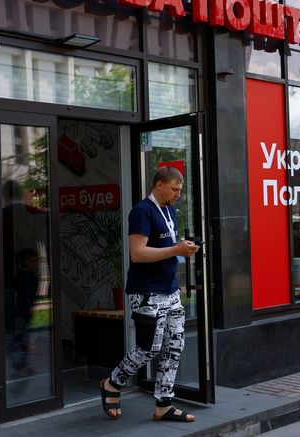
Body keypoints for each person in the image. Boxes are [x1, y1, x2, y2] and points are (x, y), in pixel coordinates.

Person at [99, 166, 201, 422]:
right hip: (147, 292)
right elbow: (138, 253)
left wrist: (181, 249)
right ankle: (113, 382)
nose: (178, 194)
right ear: (159, 185)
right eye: (174, 189)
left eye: (180, 189)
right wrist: (176, 250)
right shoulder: (142, 211)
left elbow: (166, 245)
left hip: (170, 290)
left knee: (175, 346)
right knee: (149, 348)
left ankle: (164, 404)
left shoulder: (169, 209)